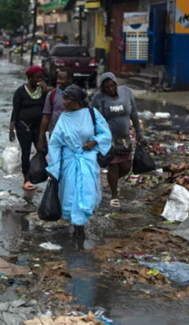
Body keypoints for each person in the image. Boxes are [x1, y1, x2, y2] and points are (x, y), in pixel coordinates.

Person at [47, 85, 112, 239]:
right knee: (70, 194)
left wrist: (94, 142)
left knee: (86, 193)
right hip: (69, 163)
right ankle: (77, 226)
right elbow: (55, 143)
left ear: (76, 100)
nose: (63, 102)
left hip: (87, 161)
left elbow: (106, 134)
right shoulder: (63, 118)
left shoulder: (91, 114)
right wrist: (54, 167)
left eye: (66, 99)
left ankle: (80, 226)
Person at [91, 72, 143, 208]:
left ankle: (112, 182)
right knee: (113, 165)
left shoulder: (126, 93)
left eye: (112, 86)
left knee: (126, 167)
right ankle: (114, 196)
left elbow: (134, 113)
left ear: (115, 83)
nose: (110, 89)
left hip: (125, 138)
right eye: (107, 87)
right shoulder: (99, 98)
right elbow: (94, 118)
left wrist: (138, 131)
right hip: (109, 139)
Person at [9, 66, 47, 191]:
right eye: (37, 77)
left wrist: (45, 90)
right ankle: (26, 179)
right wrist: (11, 129)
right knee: (25, 153)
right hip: (23, 127)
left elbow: (47, 108)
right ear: (29, 78)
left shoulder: (42, 91)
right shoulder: (20, 92)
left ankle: (39, 174)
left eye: (41, 77)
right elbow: (15, 111)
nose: (39, 80)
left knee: (43, 150)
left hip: (38, 127)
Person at [38, 68, 75, 151]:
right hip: (55, 136)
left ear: (70, 80)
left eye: (61, 79)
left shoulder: (79, 95)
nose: (58, 81)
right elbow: (46, 117)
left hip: (73, 137)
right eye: (58, 78)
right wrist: (41, 138)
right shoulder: (52, 94)